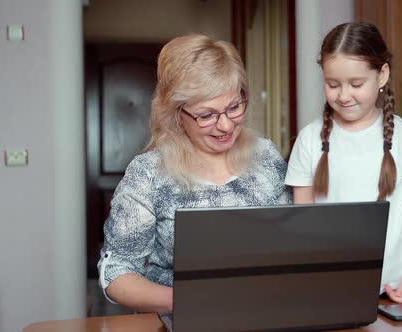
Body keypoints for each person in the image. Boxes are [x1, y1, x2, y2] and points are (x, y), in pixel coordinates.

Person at [97, 34, 291, 313]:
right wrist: (188, 301)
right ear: (177, 113)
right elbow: (115, 272)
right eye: (207, 115)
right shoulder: (149, 173)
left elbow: (290, 245)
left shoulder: (266, 156)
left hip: (265, 312)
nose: (225, 126)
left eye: (234, 107)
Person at [285, 22, 402, 304]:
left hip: (396, 290)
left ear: (382, 75)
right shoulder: (309, 140)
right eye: (332, 84)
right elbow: (304, 223)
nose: (343, 95)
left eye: (356, 84)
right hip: (329, 290)